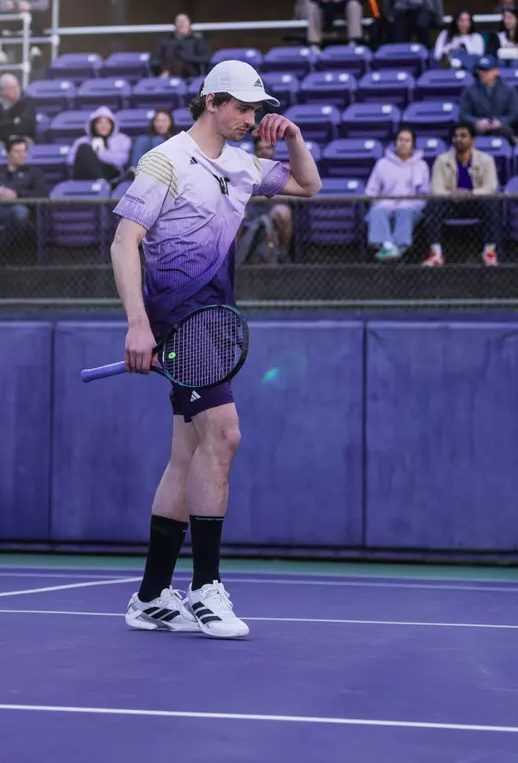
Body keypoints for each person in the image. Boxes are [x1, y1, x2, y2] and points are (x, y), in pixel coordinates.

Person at [111, 60, 321, 638]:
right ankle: (205, 589)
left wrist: (296, 138)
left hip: (213, 320)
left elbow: (308, 185)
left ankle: (152, 597)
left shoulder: (243, 164)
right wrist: (137, 326)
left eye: (259, 111)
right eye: (244, 108)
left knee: (189, 454)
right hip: (178, 320)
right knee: (225, 435)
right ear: (212, 102)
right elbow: (124, 240)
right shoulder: (166, 161)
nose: (253, 119)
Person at [422, 122, 500, 267]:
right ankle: (436, 253)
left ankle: (489, 252)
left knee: (491, 202)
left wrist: (471, 193)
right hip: (452, 203)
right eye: (456, 136)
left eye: (463, 136)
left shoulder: (487, 160)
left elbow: (491, 187)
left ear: (473, 140)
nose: (459, 139)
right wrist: (452, 194)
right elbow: (436, 188)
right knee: (433, 204)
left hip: (475, 203)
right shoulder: (442, 160)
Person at [364, 127, 430, 261]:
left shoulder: (421, 165)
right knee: (377, 211)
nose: (403, 143)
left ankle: (400, 248)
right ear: (395, 143)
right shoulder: (382, 164)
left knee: (404, 212)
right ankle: (387, 246)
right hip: (386, 204)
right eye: (400, 140)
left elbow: (424, 194)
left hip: (411, 205)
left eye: (407, 140)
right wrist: (378, 202)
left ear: (413, 144)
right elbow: (371, 191)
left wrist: (413, 205)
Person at [0, 136, 49, 258]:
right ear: (7, 153)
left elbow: (42, 194)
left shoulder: (34, 172)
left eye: (24, 151)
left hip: (23, 210)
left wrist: (16, 195)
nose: (22, 155)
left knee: (20, 213)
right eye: (17, 151)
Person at [236, 138, 294, 264]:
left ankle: (282, 253)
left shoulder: (284, 168)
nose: (264, 152)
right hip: (253, 207)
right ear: (255, 152)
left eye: (267, 148)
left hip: (275, 206)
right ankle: (235, 257)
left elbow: (290, 193)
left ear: (273, 150)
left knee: (283, 214)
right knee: (236, 216)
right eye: (260, 149)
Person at [458, 56, 518, 144]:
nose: (482, 74)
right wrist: (477, 122)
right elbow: (463, 114)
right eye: (480, 70)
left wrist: (501, 121)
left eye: (486, 71)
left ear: (496, 71)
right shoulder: (469, 90)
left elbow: (514, 114)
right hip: (478, 132)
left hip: (503, 131)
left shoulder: (509, 90)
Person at [69, 105, 132, 182]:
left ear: (112, 125)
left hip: (110, 172)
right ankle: (101, 182)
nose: (104, 126)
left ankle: (105, 184)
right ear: (93, 125)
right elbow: (71, 160)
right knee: (84, 148)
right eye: (99, 123)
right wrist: (91, 155)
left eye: (107, 123)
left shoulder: (123, 139)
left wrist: (99, 152)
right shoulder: (82, 141)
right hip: (86, 175)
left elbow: (120, 161)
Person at [151, 14, 210, 79]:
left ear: (189, 24)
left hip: (190, 73)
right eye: (179, 21)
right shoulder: (165, 41)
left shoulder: (197, 41)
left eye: (184, 21)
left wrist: (186, 57)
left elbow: (205, 58)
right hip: (166, 71)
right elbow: (155, 59)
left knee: (178, 57)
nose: (182, 24)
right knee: (174, 55)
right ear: (175, 24)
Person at [0, 74, 36, 145]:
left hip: (20, 139)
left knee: (26, 143)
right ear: (3, 91)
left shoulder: (26, 102)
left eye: (17, 86)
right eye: (12, 88)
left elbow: (28, 126)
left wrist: (3, 124)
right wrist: (14, 122)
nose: (17, 90)